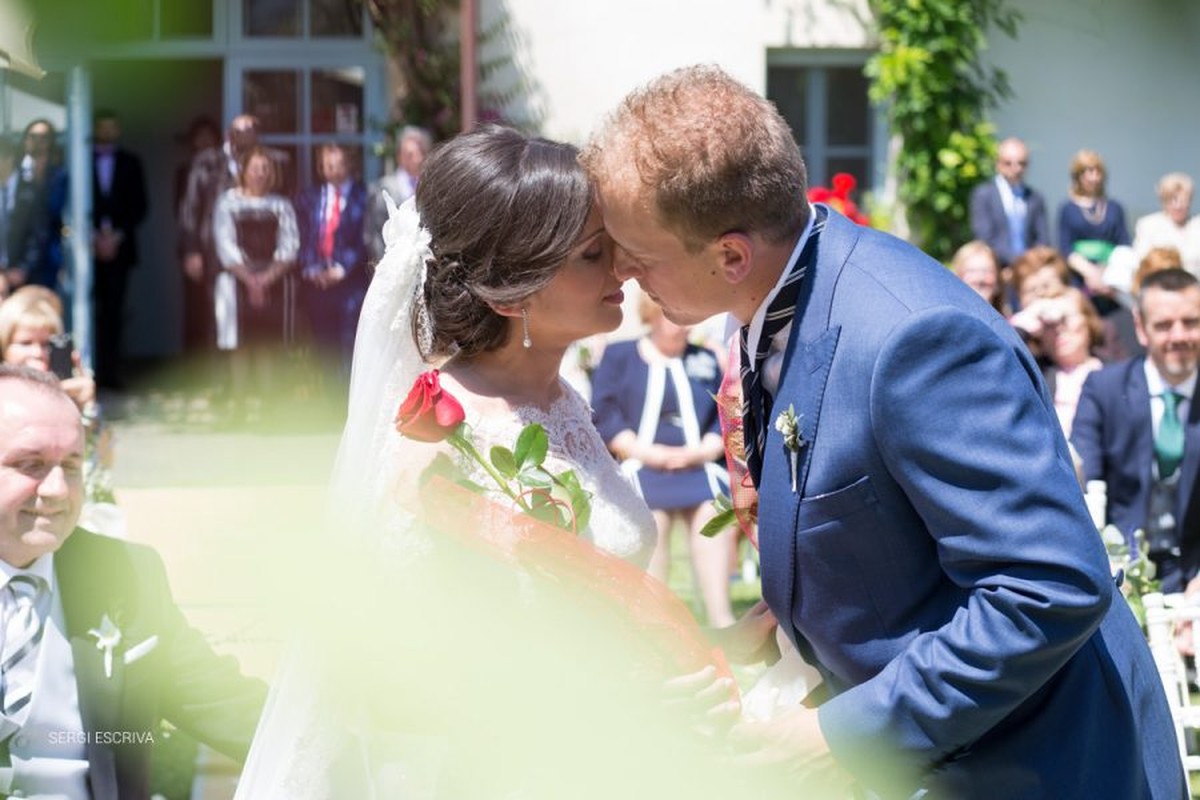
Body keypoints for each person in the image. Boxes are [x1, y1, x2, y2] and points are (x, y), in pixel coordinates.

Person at [582, 64, 1184, 798]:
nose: (624, 273)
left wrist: (845, 735)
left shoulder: (913, 338)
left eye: (639, 256)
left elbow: (1047, 584)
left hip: (1044, 764)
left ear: (731, 256)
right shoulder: (783, 295)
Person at [236, 124, 726, 799]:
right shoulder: (438, 432)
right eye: (593, 254)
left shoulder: (563, 402)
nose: (622, 269)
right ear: (509, 292)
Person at [0, 364, 266, 798]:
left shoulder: (124, 574)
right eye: (31, 465)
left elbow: (223, 704)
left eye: (71, 465)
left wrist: (362, 746)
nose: (58, 489)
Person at [590, 293, 734, 626]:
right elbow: (605, 414)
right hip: (644, 466)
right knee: (651, 521)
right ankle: (657, 624)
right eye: (672, 316)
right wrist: (650, 453)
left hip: (697, 466)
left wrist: (702, 451)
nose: (682, 326)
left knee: (713, 514)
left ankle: (722, 618)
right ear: (652, 314)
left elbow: (724, 414)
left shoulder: (705, 359)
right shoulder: (619, 356)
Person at [1072, 267, 1200, 595]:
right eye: (1163, 325)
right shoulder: (1104, 390)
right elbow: (1080, 482)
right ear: (1140, 328)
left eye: (1191, 322)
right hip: (1120, 572)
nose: (1179, 336)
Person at [211, 146, 299, 419]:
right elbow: (225, 245)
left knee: (267, 345)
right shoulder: (228, 203)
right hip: (235, 283)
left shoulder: (280, 205)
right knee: (238, 345)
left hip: (274, 283)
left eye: (265, 169)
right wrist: (250, 280)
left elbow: (289, 246)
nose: (260, 174)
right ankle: (238, 406)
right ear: (244, 171)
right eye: (255, 168)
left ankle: (267, 408)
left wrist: (266, 279)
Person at [295, 143, 370, 396]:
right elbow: (302, 235)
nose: (333, 170)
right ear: (320, 167)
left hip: (350, 284)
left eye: (338, 164)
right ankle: (329, 400)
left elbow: (365, 238)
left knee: (349, 344)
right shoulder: (309, 197)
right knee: (323, 346)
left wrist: (342, 268)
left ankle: (348, 401)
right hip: (317, 285)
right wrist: (310, 268)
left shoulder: (363, 196)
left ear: (348, 165)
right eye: (328, 165)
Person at [90, 109, 148, 390]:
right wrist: (92, 237)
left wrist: (115, 238)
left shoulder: (130, 162)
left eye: (112, 127)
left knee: (114, 312)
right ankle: (89, 371)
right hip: (87, 250)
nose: (107, 132)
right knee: (90, 310)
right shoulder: (80, 159)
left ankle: (110, 373)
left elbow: (140, 206)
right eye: (102, 127)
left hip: (120, 250)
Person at [1057, 149, 1130, 299]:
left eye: (1098, 172)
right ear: (1078, 176)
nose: (1094, 177)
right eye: (1089, 172)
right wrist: (1090, 273)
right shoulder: (1067, 209)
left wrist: (1107, 274)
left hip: (1111, 281)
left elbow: (1124, 244)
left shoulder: (1115, 208)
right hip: (1079, 280)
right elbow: (1065, 248)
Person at [5, 119, 67, 295]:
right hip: (14, 259)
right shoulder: (13, 171)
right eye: (32, 136)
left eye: (43, 137)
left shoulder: (59, 175)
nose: (37, 142)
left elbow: (55, 210)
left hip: (47, 257)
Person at [968, 136, 1051, 267]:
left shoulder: (1035, 198)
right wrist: (1015, 263)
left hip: (1029, 270)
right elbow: (984, 237)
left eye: (1021, 163)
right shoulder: (984, 195)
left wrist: (1029, 266)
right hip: (997, 268)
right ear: (998, 164)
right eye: (1008, 163)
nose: (1016, 168)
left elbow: (1043, 240)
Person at [367, 124, 432, 265]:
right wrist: (387, 266)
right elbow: (374, 234)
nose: (417, 159)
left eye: (421, 152)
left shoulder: (432, 188)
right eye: (410, 154)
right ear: (399, 157)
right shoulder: (384, 189)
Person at [1133, 172, 1200, 276]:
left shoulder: (1197, 225)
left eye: (1184, 200)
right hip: (1159, 282)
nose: (1178, 206)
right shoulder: (1148, 225)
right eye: (1173, 200)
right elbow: (1141, 261)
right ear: (1163, 201)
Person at [949, 239, 1006, 313]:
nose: (980, 278)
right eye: (972, 271)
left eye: (987, 271)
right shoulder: (945, 319)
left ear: (998, 282)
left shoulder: (1010, 320)